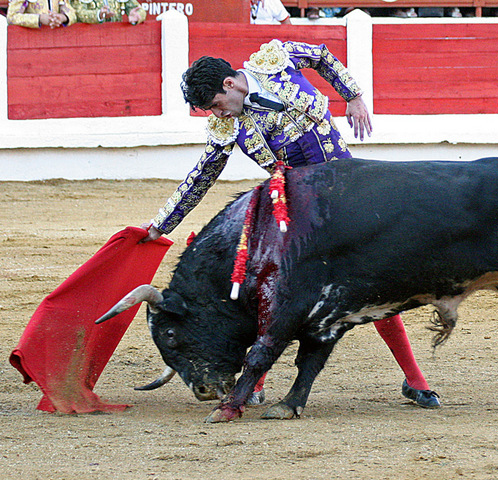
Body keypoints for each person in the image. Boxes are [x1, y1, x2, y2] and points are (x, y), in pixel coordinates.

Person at [141, 40, 440, 409]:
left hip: (350, 190)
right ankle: (256, 380)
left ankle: (415, 379)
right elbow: (201, 176)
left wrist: (353, 96)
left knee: (373, 281)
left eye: (217, 105)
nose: (218, 115)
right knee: (276, 292)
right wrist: (160, 224)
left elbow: (322, 56)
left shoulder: (275, 60)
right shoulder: (229, 126)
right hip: (300, 212)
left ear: (230, 84)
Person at [7, 0, 76, 28]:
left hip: (57, 37)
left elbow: (73, 14)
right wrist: (39, 19)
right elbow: (12, 17)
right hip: (31, 38)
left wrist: (62, 17)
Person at [70, 0, 145, 25]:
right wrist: (98, 15)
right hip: (88, 37)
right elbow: (77, 13)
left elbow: (137, 9)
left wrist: (137, 15)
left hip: (117, 36)